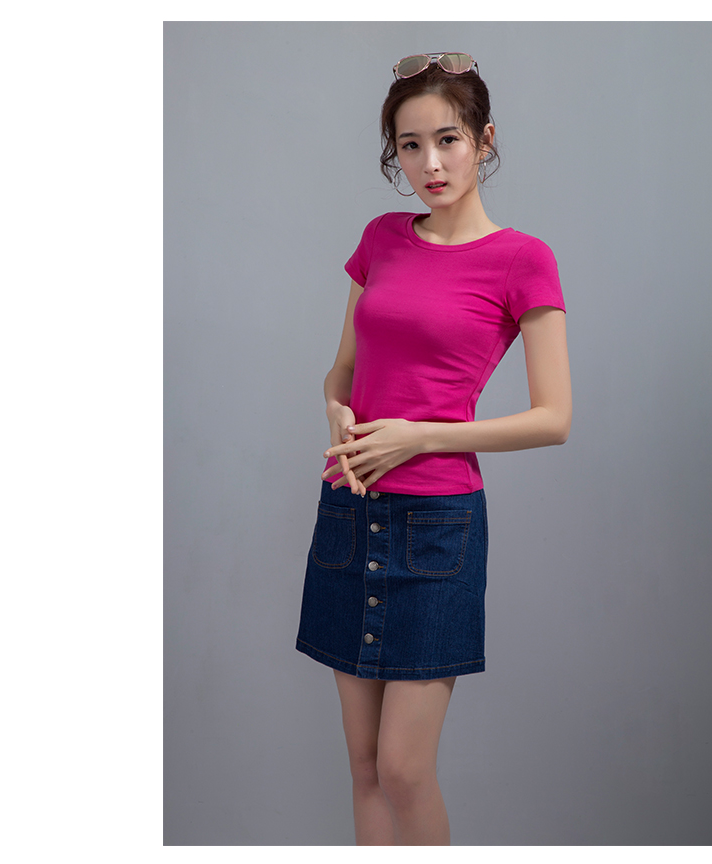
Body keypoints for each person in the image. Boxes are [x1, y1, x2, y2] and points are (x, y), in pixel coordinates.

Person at [295, 52, 572, 846]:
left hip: (437, 526)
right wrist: (336, 410)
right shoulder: (381, 238)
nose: (430, 164)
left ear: (485, 140)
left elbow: (554, 418)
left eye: (447, 140)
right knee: (363, 767)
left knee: (405, 770)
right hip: (349, 510)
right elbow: (341, 369)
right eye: (410, 146)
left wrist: (420, 435)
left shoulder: (522, 258)